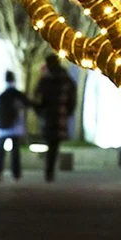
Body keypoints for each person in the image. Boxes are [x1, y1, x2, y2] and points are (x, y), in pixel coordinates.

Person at [34, 54, 77, 182]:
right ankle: (50, 171)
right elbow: (72, 97)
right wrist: (68, 111)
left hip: (48, 115)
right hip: (60, 114)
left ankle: (49, 170)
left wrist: (40, 112)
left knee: (50, 143)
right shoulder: (66, 79)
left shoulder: (45, 79)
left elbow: (37, 98)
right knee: (54, 144)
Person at [0, 71, 33, 182]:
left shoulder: (1, 95)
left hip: (2, 127)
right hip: (15, 126)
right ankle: (16, 174)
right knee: (15, 150)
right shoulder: (17, 94)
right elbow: (28, 103)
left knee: (0, 150)